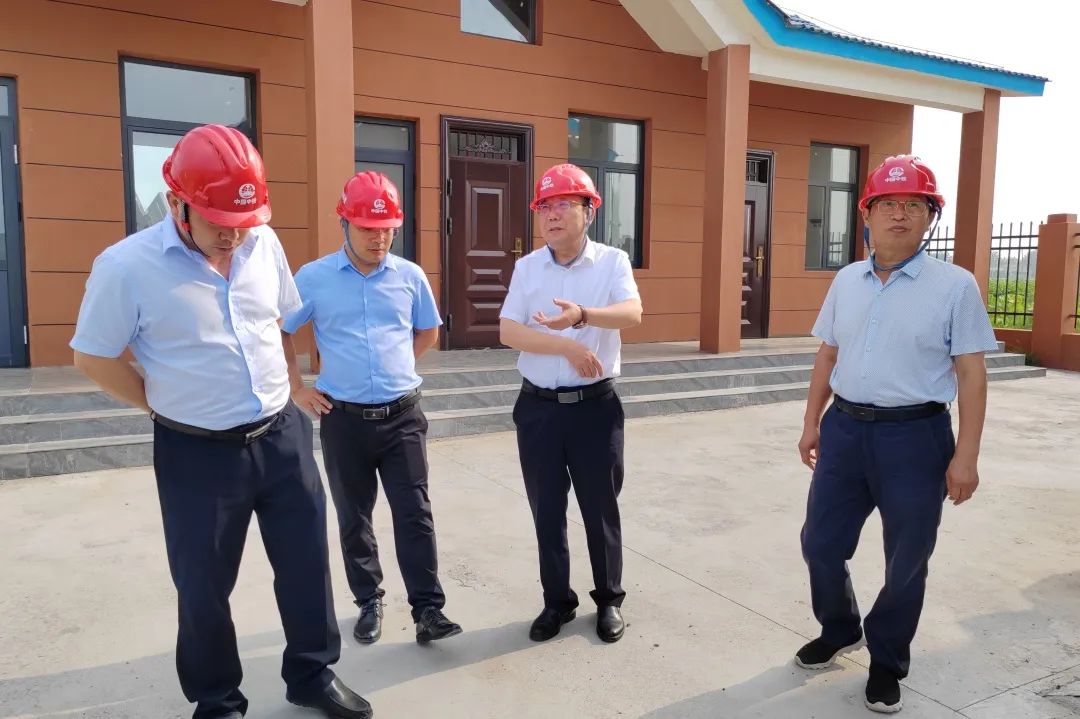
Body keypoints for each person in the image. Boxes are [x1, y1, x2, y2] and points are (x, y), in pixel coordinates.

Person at [70, 124, 371, 719]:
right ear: (176, 203)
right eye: (218, 224)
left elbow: (279, 323)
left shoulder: (264, 243)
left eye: (243, 223)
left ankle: (312, 674)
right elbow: (93, 357)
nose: (233, 237)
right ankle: (217, 700)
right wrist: (157, 403)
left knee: (307, 565)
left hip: (281, 436)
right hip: (197, 454)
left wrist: (292, 388)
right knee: (203, 585)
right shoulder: (127, 267)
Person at [794, 155, 999, 714]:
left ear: (930, 216)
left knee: (907, 556)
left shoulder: (954, 286)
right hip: (844, 431)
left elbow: (971, 373)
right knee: (820, 543)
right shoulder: (846, 281)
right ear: (867, 213)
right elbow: (828, 353)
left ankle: (886, 659)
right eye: (888, 204)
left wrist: (966, 455)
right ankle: (840, 628)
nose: (900, 214)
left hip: (916, 437)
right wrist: (812, 422)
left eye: (914, 204)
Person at [282, 171, 461, 647]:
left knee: (415, 513)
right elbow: (279, 329)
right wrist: (296, 388)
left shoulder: (410, 277)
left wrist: (399, 364)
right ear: (344, 223)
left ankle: (428, 609)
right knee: (354, 517)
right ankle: (369, 601)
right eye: (367, 228)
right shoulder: (314, 278)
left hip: (403, 417)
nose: (378, 238)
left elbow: (428, 330)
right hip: (344, 421)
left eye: (386, 229)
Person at [498, 163, 643, 643]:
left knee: (600, 507)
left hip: (594, 410)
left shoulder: (612, 262)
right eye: (545, 207)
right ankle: (556, 601)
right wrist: (566, 346)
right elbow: (509, 330)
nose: (552, 215)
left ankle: (609, 600)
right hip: (538, 408)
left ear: (589, 211)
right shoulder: (527, 267)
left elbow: (632, 313)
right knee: (546, 510)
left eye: (564, 204)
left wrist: (583, 315)